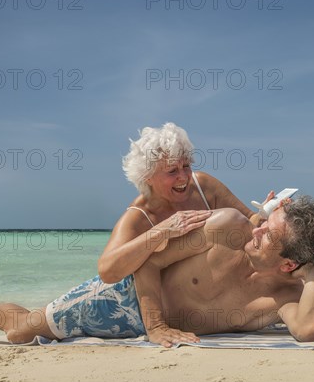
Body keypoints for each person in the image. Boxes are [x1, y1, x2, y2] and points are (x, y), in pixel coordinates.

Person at [0, 196, 314, 347]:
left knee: (30, 329)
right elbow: (151, 259)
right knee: (23, 331)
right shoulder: (227, 229)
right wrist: (155, 324)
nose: (257, 231)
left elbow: (310, 331)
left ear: (291, 264)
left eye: (268, 235)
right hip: (129, 299)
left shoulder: (290, 293)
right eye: (265, 221)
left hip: (153, 325)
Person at [98, 122, 269, 284]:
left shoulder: (203, 186)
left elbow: (248, 221)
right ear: (147, 177)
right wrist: (162, 231)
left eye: (186, 166)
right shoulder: (140, 215)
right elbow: (107, 272)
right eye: (172, 171)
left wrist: (265, 213)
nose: (184, 176)